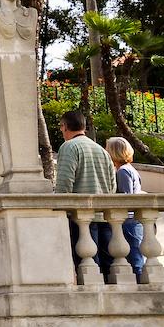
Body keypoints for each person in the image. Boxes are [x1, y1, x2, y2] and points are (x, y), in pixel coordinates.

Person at [55, 110, 116, 272]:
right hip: (104, 217)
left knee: (88, 269)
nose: (61, 131)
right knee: (108, 267)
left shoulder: (68, 147)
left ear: (65, 126)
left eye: (61, 127)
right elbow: (112, 186)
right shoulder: (102, 151)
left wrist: (60, 209)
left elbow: (64, 183)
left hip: (81, 218)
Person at [106, 136, 146, 278]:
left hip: (129, 222)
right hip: (133, 221)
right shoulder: (130, 169)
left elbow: (126, 198)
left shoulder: (123, 171)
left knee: (135, 259)